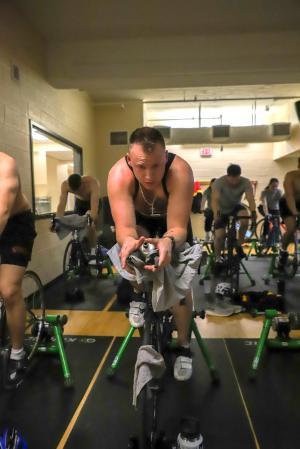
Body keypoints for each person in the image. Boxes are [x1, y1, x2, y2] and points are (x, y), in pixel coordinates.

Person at [108, 126, 195, 381]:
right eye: (141, 166)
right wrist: (130, 244)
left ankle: (184, 347)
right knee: (129, 250)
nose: (148, 175)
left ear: (165, 157)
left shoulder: (180, 171)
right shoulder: (118, 175)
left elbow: (178, 227)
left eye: (156, 166)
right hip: (140, 223)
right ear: (129, 159)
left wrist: (168, 241)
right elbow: (124, 229)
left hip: (172, 224)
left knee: (180, 281)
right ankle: (137, 293)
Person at [0, 152, 37, 388]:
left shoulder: (5, 164)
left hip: (15, 224)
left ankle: (17, 353)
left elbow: (2, 211)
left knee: (9, 289)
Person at [211, 164, 256, 267]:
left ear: (240, 175)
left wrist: (253, 212)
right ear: (228, 176)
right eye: (232, 179)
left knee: (245, 220)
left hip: (235, 207)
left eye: (237, 179)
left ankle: (239, 244)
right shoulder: (219, 182)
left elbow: (250, 198)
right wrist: (216, 216)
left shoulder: (245, 182)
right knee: (219, 236)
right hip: (221, 209)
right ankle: (217, 258)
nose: (234, 182)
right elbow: (215, 201)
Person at [55, 174, 101, 248]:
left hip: (92, 202)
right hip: (79, 203)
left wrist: (92, 219)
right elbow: (61, 205)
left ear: (83, 183)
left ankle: (93, 250)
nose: (78, 192)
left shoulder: (92, 183)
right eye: (75, 191)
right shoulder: (65, 185)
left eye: (79, 189)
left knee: (91, 225)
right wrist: (57, 221)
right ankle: (77, 248)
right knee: (76, 225)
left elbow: (94, 208)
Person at [278, 168, 300, 268]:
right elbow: (290, 196)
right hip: (287, 203)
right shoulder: (291, 175)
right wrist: (295, 212)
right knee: (291, 228)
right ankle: (283, 250)